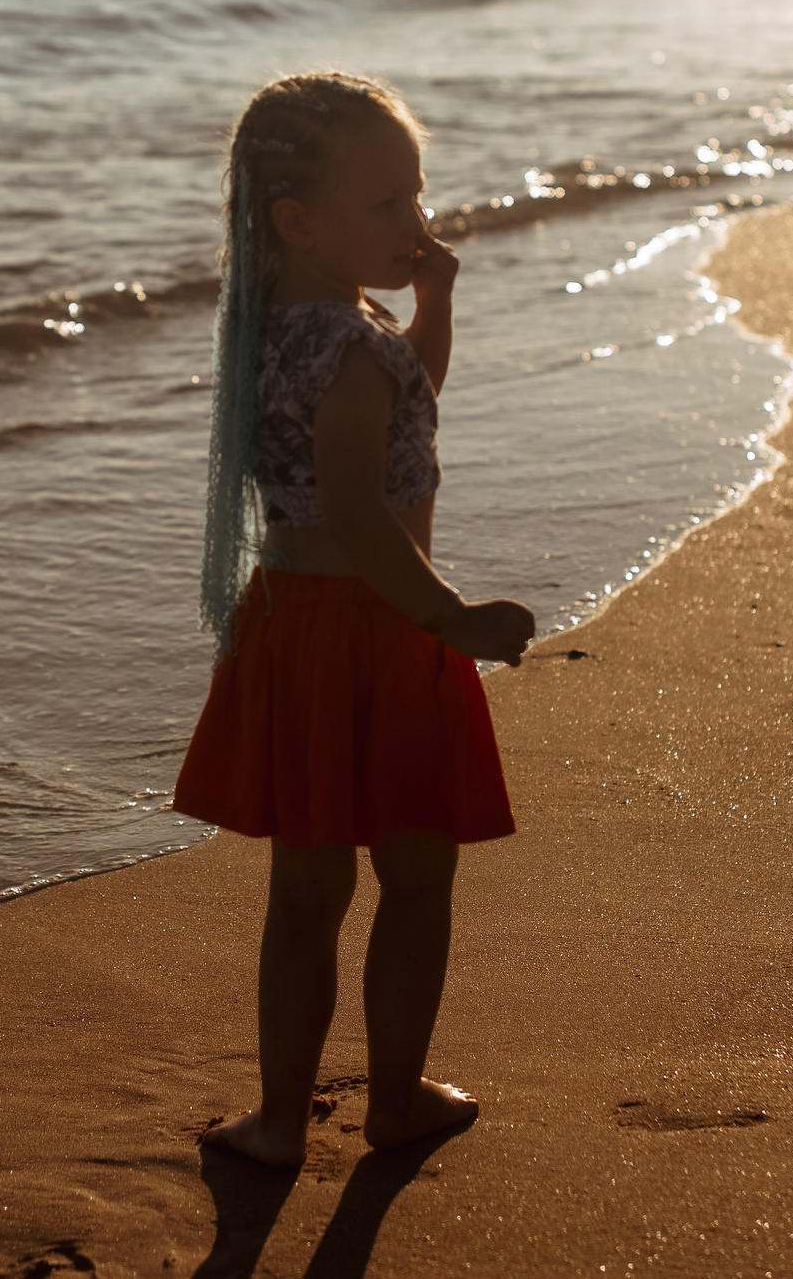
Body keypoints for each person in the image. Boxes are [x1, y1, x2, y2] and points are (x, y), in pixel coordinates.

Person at [174, 70, 536, 1168]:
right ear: (298, 221)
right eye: (387, 203)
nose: (415, 220)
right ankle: (394, 1101)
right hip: (377, 630)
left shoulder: (283, 331)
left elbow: (401, 404)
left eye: (416, 194)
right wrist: (451, 618)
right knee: (415, 878)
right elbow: (362, 513)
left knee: (307, 889)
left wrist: (434, 309)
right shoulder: (347, 343)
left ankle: (282, 1123)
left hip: (294, 628)